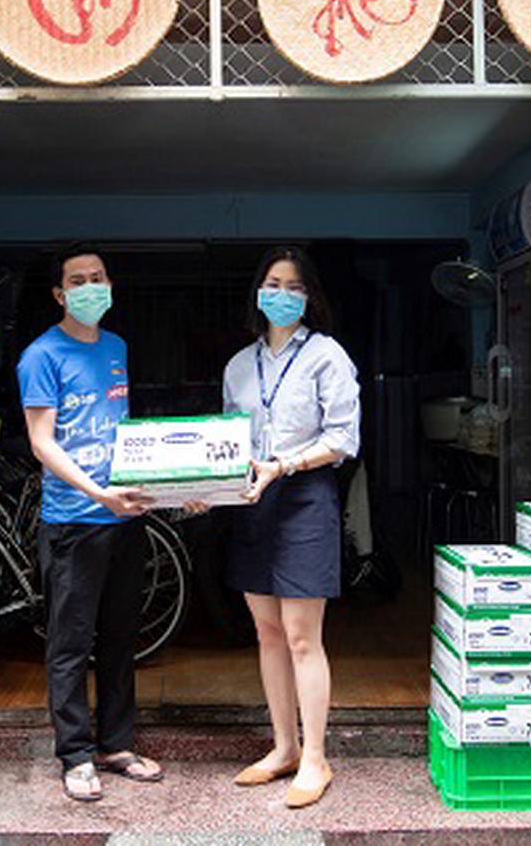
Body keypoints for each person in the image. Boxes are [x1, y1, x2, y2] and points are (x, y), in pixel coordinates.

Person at [16, 246, 162, 803]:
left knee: (121, 637)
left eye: (97, 277)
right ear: (59, 294)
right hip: (73, 522)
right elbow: (42, 442)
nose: (90, 287)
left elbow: (122, 431)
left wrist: (164, 488)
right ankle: (75, 754)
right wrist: (99, 493)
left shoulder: (116, 347)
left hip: (125, 518)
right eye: (77, 281)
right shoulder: (41, 356)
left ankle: (117, 745)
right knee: (71, 643)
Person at [222, 245, 360, 809]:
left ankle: (316, 757)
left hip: (305, 497)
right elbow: (228, 443)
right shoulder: (238, 366)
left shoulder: (327, 356)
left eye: (294, 287)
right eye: (273, 284)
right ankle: (283, 747)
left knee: (303, 636)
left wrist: (285, 465)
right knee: (268, 633)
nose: (282, 295)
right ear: (258, 292)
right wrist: (204, 488)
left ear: (309, 297)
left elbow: (343, 439)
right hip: (253, 499)